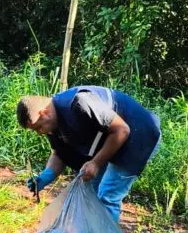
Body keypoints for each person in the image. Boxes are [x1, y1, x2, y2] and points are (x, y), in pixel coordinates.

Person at [16, 86, 161, 224]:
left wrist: (96, 163)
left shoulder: (80, 103)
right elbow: (60, 154)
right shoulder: (51, 124)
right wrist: (44, 176)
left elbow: (122, 130)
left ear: (44, 113)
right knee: (88, 190)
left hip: (140, 133)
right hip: (111, 137)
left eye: (38, 127)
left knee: (108, 195)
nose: (40, 133)